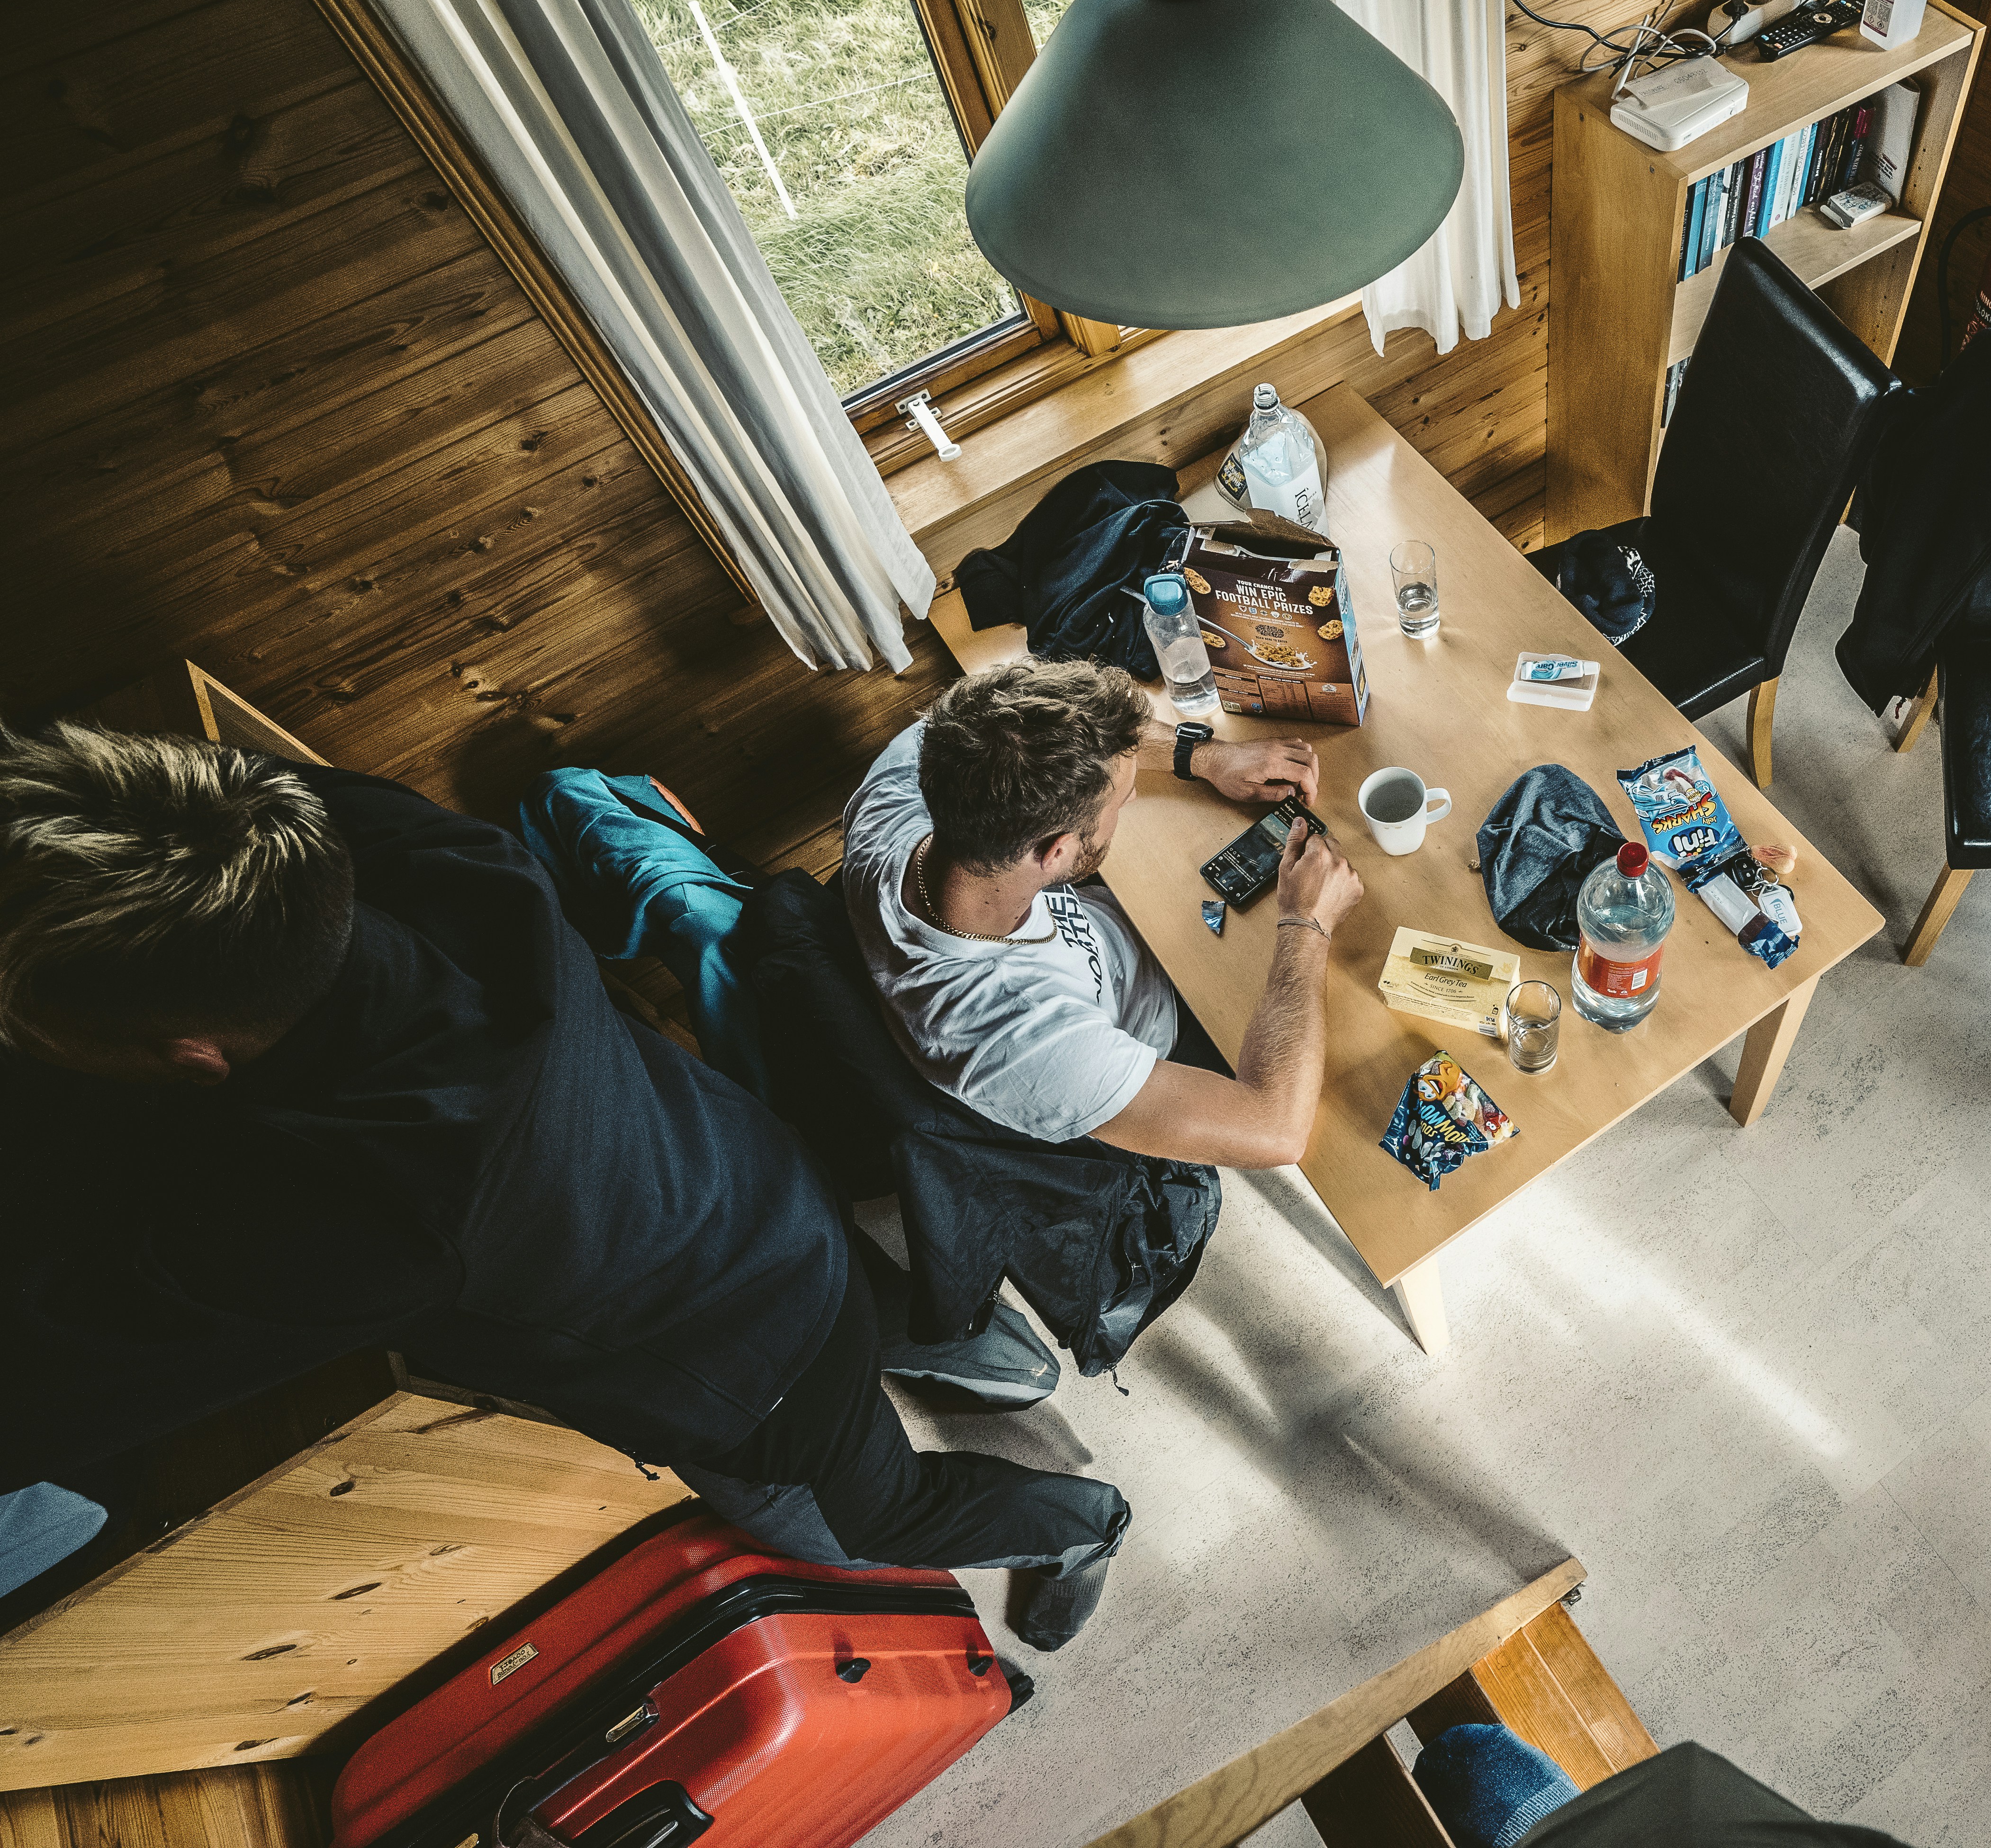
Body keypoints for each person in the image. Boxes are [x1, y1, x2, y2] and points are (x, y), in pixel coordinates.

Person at [0, 723, 1123, 1649]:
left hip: (748, 1360)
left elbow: (53, 1388)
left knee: (865, 1522)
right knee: (867, 1303)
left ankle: (1084, 1518)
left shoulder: (384, 1209)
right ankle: (994, 1356)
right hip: (742, 1167)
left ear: (191, 1055)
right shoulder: (352, 846)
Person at [844, 657, 1365, 1169]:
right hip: (1159, 1039)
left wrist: (1205, 757)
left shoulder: (910, 783)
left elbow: (1028, 717)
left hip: (1127, 930)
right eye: (1120, 800)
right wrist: (1306, 924)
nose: (1134, 794)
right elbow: (1275, 1131)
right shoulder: (1019, 1037)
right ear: (1057, 853)